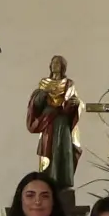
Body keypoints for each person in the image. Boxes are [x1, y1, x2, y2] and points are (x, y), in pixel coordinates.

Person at [26, 55, 82, 191]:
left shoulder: (69, 84)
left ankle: (63, 180)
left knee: (64, 151)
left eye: (58, 63)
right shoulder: (44, 83)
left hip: (62, 122)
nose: (55, 65)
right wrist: (43, 94)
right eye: (53, 63)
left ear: (63, 66)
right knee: (49, 150)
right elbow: (36, 104)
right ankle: (48, 180)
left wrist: (76, 104)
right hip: (48, 122)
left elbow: (73, 103)